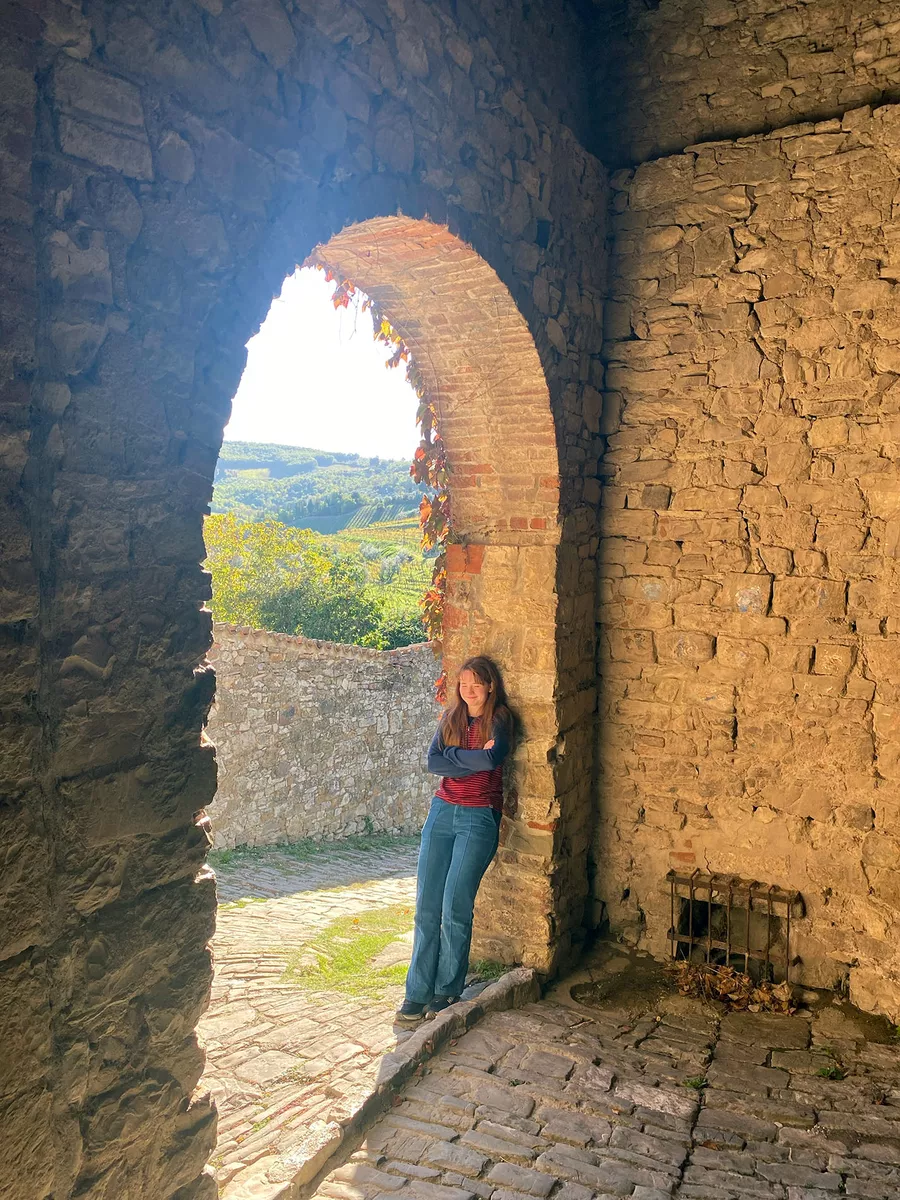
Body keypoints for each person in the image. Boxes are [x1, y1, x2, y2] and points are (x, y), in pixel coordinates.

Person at [395, 656, 513, 1026]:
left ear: (490, 686)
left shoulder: (500, 718)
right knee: (426, 906)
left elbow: (492, 760)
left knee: (454, 906)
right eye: (463, 684)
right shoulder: (450, 719)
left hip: (479, 817)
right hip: (442, 813)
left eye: (476, 684)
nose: (469, 691)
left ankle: (447, 989)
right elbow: (434, 763)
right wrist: (471, 757)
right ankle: (417, 991)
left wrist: (454, 756)